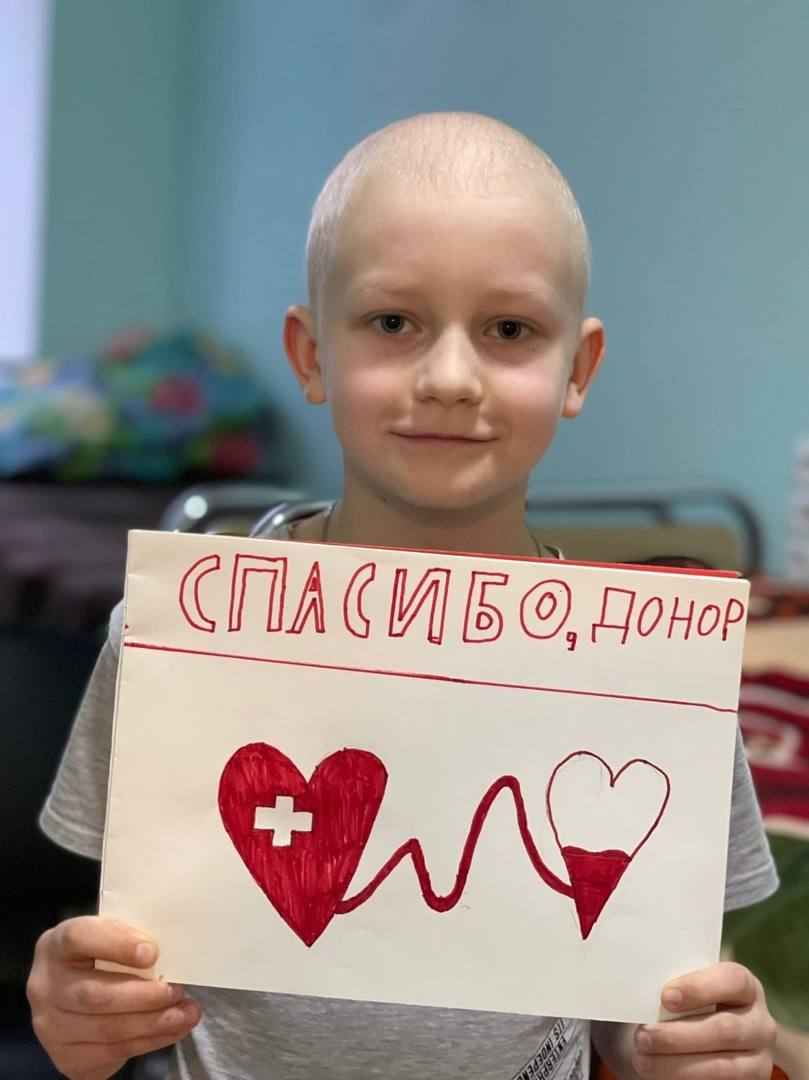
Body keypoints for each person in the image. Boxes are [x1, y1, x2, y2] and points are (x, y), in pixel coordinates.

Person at [28, 113, 779, 1080]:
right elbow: (117, 969)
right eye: (392, 323)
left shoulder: (646, 681)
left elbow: (633, 1018)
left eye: (509, 331)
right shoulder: (178, 646)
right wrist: (79, 1016)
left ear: (577, 369)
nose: (450, 378)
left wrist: (684, 1050)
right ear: (310, 355)